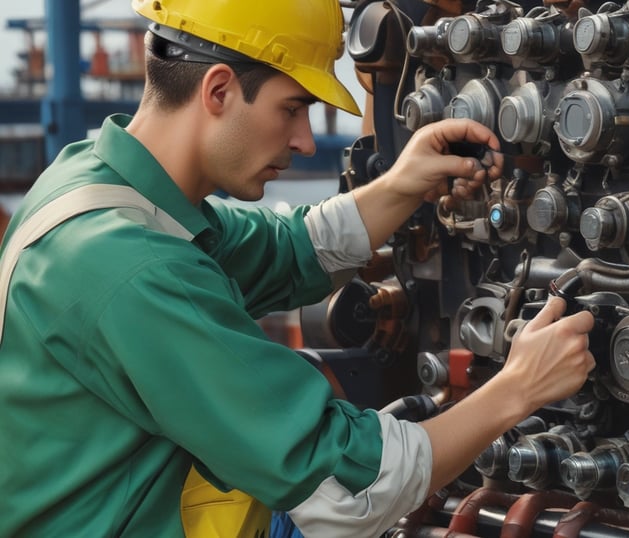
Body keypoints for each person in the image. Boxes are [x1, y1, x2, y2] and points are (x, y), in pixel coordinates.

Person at [0, 0, 595, 536]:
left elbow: (288, 249)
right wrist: (518, 389)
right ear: (217, 90)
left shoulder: (101, 189)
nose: (307, 141)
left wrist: (400, 185)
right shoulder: (133, 267)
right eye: (293, 108)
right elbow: (348, 485)